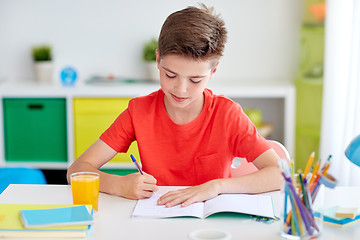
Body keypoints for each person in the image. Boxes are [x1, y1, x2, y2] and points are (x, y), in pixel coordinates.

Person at [67, 4, 282, 208]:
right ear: (158, 60)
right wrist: (119, 185)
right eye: (170, 75)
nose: (181, 89)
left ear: (213, 72)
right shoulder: (139, 112)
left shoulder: (227, 114)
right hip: (157, 218)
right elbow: (76, 171)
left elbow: (278, 174)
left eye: (195, 80)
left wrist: (216, 186)